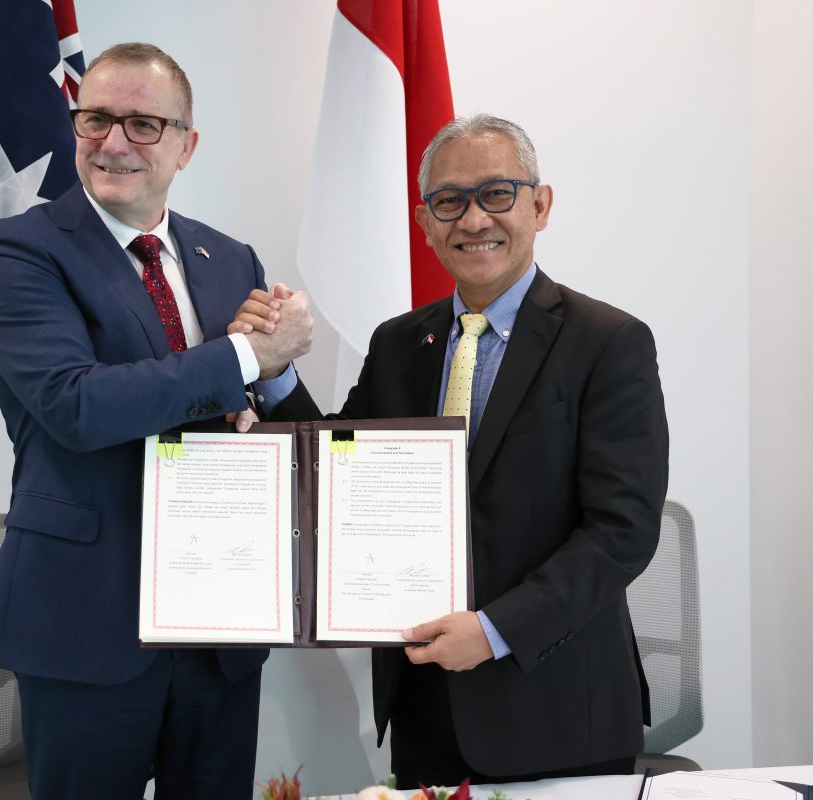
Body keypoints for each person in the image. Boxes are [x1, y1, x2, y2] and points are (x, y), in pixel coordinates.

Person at [234, 113, 668, 786]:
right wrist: (275, 370)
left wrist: (494, 630)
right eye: (450, 201)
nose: (473, 220)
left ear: (540, 204)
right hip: (425, 702)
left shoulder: (608, 343)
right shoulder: (399, 343)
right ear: (424, 221)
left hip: (555, 707)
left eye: (497, 193)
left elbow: (623, 531)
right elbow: (333, 473)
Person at [0, 42, 314, 799]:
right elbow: (78, 406)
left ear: (188, 144)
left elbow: (265, 413)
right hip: (85, 620)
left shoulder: (231, 259)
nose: (114, 142)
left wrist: (276, 369)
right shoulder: (15, 254)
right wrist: (247, 356)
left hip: (221, 619)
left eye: (144, 124)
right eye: (95, 119)